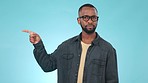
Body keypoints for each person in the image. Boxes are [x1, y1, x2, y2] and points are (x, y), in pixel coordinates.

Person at [23, 3, 118, 83]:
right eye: (85, 17)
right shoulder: (66, 46)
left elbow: (112, 81)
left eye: (93, 18)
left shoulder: (108, 50)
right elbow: (48, 65)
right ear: (78, 20)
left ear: (97, 20)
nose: (90, 21)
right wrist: (38, 44)